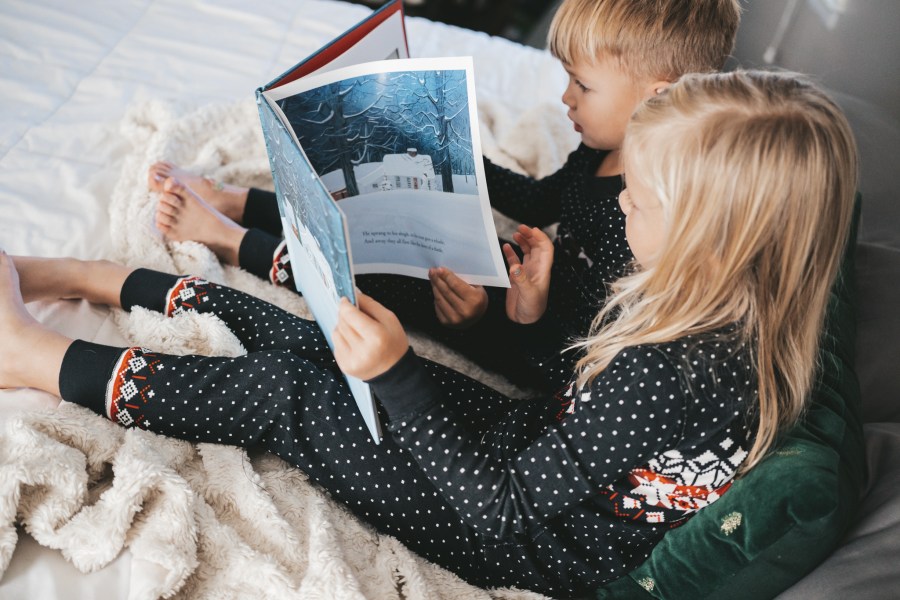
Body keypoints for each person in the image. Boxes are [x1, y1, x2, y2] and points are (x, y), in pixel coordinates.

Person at [0, 70, 858, 597]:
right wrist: (519, 325)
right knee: (321, 338)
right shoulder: (712, 302)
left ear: (719, 232)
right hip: (523, 457)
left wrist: (403, 377)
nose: (621, 200)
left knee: (293, 392)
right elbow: (575, 423)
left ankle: (31, 356)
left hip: (515, 536)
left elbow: (508, 508)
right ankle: (77, 278)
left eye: (643, 197)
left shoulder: (681, 371)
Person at [149, 0, 742, 393]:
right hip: (525, 283)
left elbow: (572, 363)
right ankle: (240, 203)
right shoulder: (603, 146)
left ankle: (231, 239)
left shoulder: (651, 220)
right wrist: (446, 152)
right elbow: (538, 202)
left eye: (582, 85)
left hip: (528, 339)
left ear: (658, 99)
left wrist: (493, 320)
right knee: (382, 218)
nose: (566, 100)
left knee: (377, 279)